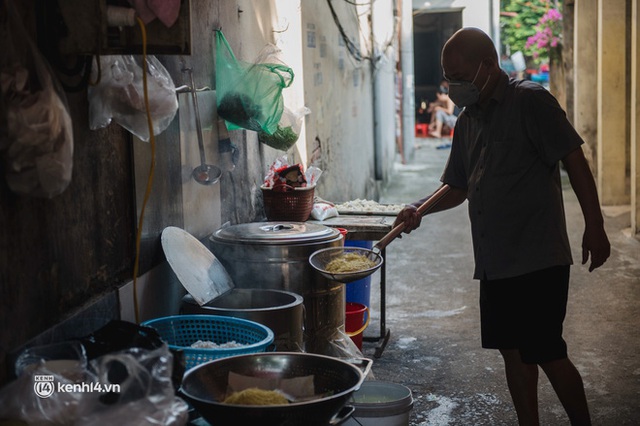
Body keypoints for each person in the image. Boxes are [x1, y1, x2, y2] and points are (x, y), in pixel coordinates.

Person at [393, 27, 610, 426]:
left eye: (459, 76)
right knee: (511, 351)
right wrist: (418, 208)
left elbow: (573, 160)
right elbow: (457, 185)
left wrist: (594, 224)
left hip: (537, 257)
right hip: (495, 261)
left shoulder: (530, 102)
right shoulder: (467, 120)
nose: (452, 86)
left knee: (546, 352)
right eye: (448, 77)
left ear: (489, 66)